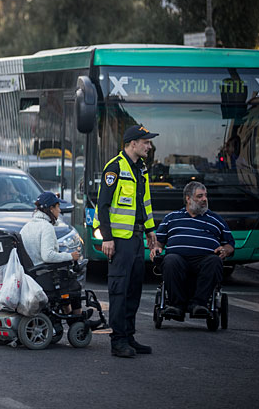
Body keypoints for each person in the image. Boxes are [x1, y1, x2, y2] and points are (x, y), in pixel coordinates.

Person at [92, 124, 159, 358]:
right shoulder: (115, 168)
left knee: (133, 289)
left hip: (137, 238)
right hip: (120, 242)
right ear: (133, 144)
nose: (149, 146)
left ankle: (129, 336)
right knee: (119, 290)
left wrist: (150, 231)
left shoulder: (141, 169)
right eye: (146, 142)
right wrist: (107, 238)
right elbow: (103, 206)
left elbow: (145, 204)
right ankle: (118, 341)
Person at [151, 182, 234, 317]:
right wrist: (156, 249)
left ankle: (199, 304)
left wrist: (225, 249)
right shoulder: (171, 218)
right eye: (200, 196)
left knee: (214, 261)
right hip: (178, 258)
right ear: (188, 198)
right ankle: (176, 305)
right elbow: (159, 242)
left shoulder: (216, 219)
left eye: (205, 196)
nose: (204, 199)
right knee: (170, 260)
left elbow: (230, 244)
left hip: (205, 259)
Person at [20, 191, 82, 314]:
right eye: (58, 207)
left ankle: (67, 313)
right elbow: (47, 256)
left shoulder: (27, 226)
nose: (59, 211)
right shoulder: (46, 227)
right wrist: (70, 256)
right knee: (74, 286)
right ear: (51, 208)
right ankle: (77, 319)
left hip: (31, 275)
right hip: (45, 275)